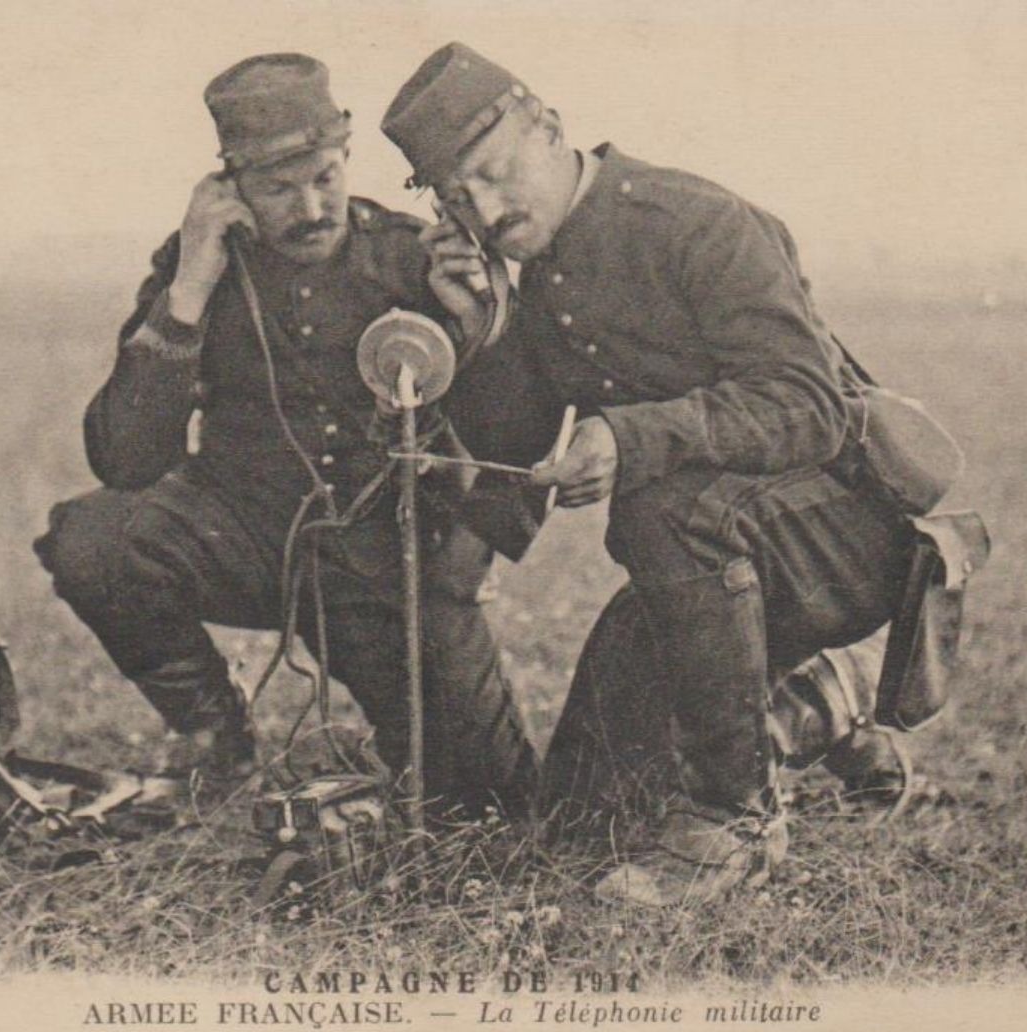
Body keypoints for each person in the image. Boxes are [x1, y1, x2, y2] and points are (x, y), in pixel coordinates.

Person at [382, 43, 922, 903]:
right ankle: (812, 705)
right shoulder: (542, 269)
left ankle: (734, 819)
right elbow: (516, 447)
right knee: (578, 816)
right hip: (710, 571)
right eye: (457, 198)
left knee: (657, 508)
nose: (482, 209)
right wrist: (481, 328)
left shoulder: (691, 221)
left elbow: (808, 406)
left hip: (840, 539)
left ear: (548, 128)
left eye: (492, 172)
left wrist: (632, 438)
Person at [34, 53, 537, 814]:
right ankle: (215, 739)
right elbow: (126, 461)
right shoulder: (197, 270)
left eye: (324, 178)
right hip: (244, 535)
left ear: (345, 161)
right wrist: (190, 289)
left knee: (486, 802)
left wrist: (470, 322)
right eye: (277, 188)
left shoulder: (413, 256)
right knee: (94, 541)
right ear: (231, 191)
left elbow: (517, 430)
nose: (309, 208)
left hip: (387, 566)